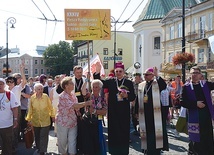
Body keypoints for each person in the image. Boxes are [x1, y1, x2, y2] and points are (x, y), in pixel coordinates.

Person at [94, 62, 136, 155]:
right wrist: (97, 72)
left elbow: (133, 97)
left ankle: (124, 152)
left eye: (120, 71)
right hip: (113, 111)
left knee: (124, 132)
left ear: (123, 72)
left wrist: (126, 95)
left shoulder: (129, 82)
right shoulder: (111, 81)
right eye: (116, 71)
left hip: (124, 112)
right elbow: (100, 83)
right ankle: (114, 152)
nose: (118, 73)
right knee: (113, 133)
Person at [180, 66, 214, 155]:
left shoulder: (206, 85)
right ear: (189, 74)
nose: (194, 75)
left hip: (206, 118)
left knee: (207, 139)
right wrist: (195, 104)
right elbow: (182, 102)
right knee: (195, 141)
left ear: (200, 74)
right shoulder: (186, 87)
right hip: (194, 118)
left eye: (196, 73)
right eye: (192, 73)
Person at [56, 76, 91, 155]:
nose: (73, 84)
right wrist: (86, 103)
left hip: (73, 121)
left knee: (72, 141)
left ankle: (72, 153)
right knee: (63, 141)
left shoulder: (73, 95)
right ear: (66, 86)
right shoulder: (62, 96)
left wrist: (79, 114)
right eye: (71, 83)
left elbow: (76, 108)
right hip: (63, 122)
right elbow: (74, 106)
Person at [137, 67, 169, 155]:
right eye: (144, 74)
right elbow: (137, 99)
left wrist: (157, 75)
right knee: (145, 133)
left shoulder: (157, 83)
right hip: (144, 113)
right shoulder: (141, 85)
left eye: (147, 74)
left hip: (155, 114)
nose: (145, 76)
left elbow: (164, 86)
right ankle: (146, 150)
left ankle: (154, 151)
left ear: (152, 75)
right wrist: (136, 112)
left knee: (154, 134)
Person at [25, 83, 55, 155]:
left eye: (42, 89)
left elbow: (50, 107)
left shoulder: (45, 96)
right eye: (39, 89)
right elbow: (30, 109)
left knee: (44, 136)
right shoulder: (32, 98)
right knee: (37, 135)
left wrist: (53, 116)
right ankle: (39, 148)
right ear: (35, 90)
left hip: (45, 120)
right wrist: (28, 119)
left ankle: (43, 150)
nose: (41, 90)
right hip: (36, 120)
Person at [80, 79, 108, 155]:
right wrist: (86, 80)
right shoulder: (88, 96)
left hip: (97, 122)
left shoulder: (102, 98)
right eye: (93, 87)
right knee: (88, 141)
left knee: (98, 141)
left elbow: (104, 111)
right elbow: (82, 91)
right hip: (87, 122)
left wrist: (95, 111)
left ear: (100, 88)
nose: (94, 88)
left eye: (96, 87)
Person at [0, 78, 19, 155]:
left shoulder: (10, 94)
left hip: (7, 124)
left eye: (1, 84)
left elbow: (15, 108)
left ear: (4, 85)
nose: (0, 85)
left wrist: (15, 119)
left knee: (7, 144)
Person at [13, 73, 32, 141]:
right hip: (15, 108)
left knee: (24, 123)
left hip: (23, 107)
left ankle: (24, 137)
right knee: (16, 124)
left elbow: (29, 95)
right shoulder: (12, 86)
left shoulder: (25, 86)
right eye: (15, 77)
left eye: (18, 77)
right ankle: (17, 137)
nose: (17, 79)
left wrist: (20, 94)